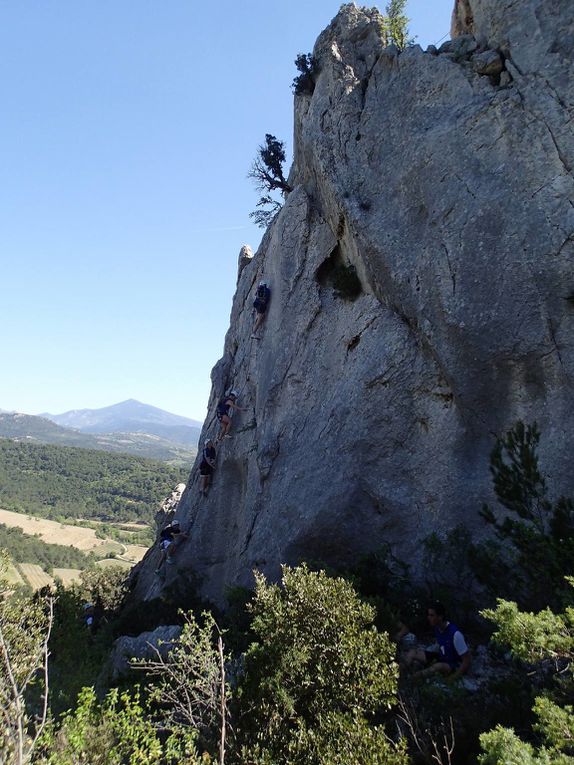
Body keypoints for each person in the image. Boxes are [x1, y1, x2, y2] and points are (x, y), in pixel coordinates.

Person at [404, 602, 471, 680]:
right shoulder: (437, 628)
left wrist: (454, 677)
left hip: (453, 664)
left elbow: (466, 660)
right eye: (429, 615)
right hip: (442, 657)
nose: (429, 617)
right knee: (412, 652)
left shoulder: (455, 634)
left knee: (437, 667)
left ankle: (412, 679)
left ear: (440, 617)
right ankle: (399, 672)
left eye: (432, 615)